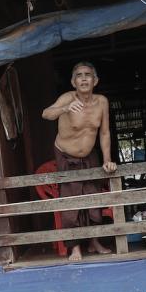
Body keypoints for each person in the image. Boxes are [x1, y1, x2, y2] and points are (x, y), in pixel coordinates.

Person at [41, 62, 117, 261]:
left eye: (88, 75)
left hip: (90, 155)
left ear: (96, 80)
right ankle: (75, 248)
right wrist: (65, 108)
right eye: (79, 75)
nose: (84, 78)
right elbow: (46, 113)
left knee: (93, 201)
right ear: (73, 82)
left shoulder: (102, 102)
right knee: (71, 202)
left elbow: (105, 132)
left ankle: (94, 241)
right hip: (65, 154)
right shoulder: (67, 97)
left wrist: (107, 160)